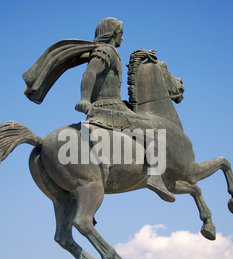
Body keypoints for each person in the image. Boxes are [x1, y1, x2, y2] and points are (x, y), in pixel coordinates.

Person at [75, 17, 175, 202]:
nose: (123, 38)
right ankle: (154, 176)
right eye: (121, 33)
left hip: (114, 106)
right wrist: (84, 98)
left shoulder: (109, 52)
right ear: (113, 33)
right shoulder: (106, 51)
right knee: (153, 131)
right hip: (107, 107)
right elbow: (90, 73)